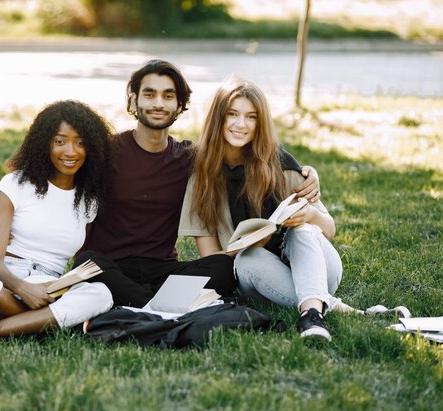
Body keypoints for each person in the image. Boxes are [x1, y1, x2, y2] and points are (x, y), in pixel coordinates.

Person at [76, 60, 321, 309]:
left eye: (168, 96)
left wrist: (307, 173)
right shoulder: (105, 152)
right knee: (87, 262)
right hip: (109, 267)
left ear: (180, 104)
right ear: (133, 100)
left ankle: (146, 304)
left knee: (224, 267)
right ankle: (157, 307)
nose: (158, 103)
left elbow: (240, 157)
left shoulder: (190, 159)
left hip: (163, 271)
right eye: (149, 94)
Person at [179, 76, 361, 341]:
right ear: (219, 118)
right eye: (232, 114)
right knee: (248, 258)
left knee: (303, 231)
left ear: (260, 123)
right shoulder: (201, 178)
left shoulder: (281, 163)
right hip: (260, 278)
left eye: (251, 117)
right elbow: (210, 261)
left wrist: (310, 215)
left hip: (316, 268)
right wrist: (251, 243)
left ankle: (312, 309)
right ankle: (320, 308)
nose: (241, 124)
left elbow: (329, 230)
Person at [0, 100, 114, 354]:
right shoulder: (15, 184)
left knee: (101, 294)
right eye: (60, 141)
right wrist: (23, 289)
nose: (71, 151)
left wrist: (58, 289)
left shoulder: (89, 200)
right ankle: (38, 323)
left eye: (80, 142)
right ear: (44, 143)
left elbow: (80, 264)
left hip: (48, 286)